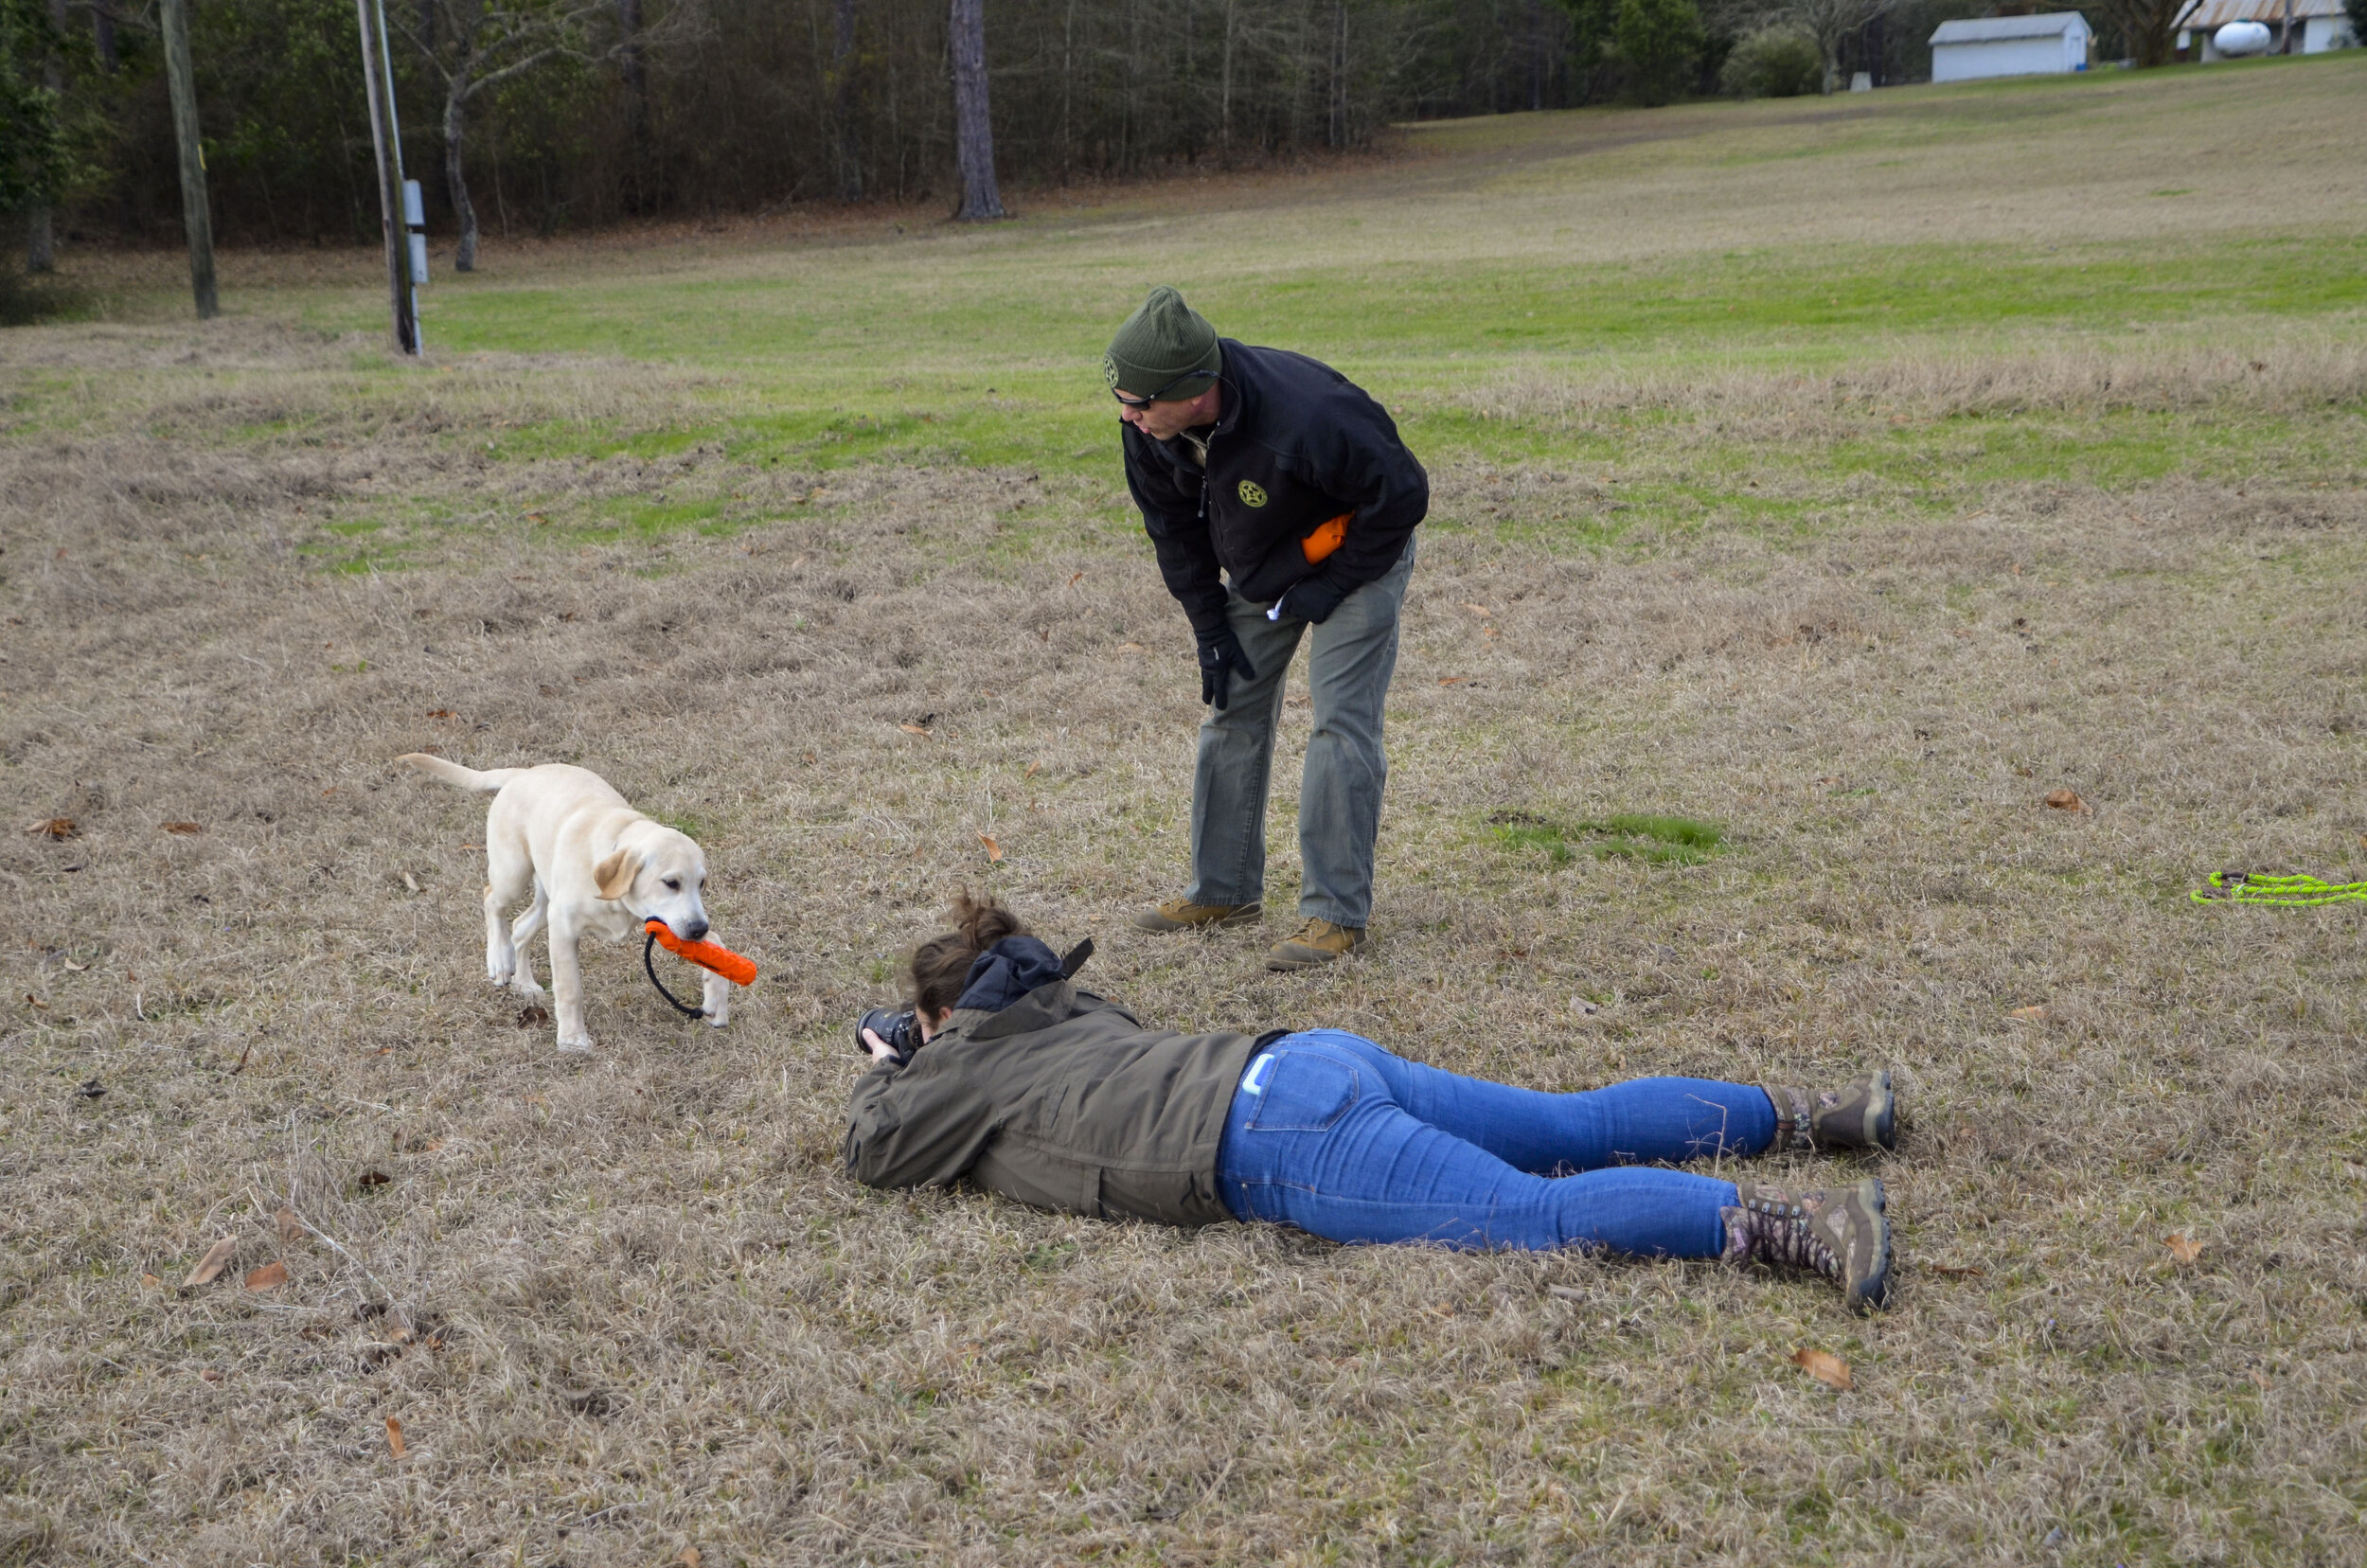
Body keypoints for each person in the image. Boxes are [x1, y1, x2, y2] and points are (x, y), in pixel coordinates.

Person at [846, 897, 1897, 1312]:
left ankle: (1799, 1228)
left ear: (943, 1012)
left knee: (1528, 1214)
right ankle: (1822, 1114)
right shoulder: (1068, 1010)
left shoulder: (960, 1067)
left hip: (1275, 1141)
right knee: (1567, 1126)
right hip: (1312, 1061)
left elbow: (876, 1151)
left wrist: (891, 1061)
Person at [1106, 285, 1429, 971]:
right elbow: (1172, 528)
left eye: (1141, 402)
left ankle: (1335, 915)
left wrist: (1330, 586)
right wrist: (1209, 629)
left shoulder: (1309, 415)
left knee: (1339, 722)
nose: (1128, 415)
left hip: (1356, 556)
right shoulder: (1148, 424)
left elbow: (1402, 494)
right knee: (1231, 707)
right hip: (1264, 566)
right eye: (1121, 400)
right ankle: (1222, 890)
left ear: (1197, 390)